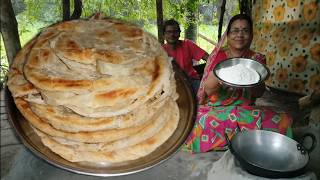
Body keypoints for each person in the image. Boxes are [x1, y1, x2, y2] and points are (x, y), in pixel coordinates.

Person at [182, 14, 293, 153]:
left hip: (244, 109)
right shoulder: (219, 56)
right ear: (228, 35)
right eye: (235, 30)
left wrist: (255, 77)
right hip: (217, 109)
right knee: (198, 121)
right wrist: (222, 74)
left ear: (251, 35)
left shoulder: (256, 59)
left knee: (280, 119)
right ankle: (242, 141)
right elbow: (209, 90)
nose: (240, 34)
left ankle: (231, 141)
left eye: (245, 30)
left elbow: (259, 93)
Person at [162, 19, 209, 93]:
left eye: (175, 31)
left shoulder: (187, 45)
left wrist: (209, 75)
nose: (172, 35)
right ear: (164, 35)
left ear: (179, 33)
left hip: (191, 81)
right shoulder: (160, 51)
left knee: (202, 97)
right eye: (169, 32)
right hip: (170, 84)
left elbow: (209, 59)